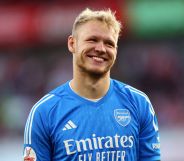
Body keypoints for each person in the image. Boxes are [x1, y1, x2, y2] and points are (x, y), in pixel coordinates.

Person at [23, 8, 161, 161]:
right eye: (92, 40)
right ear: (72, 44)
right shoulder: (44, 112)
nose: (101, 49)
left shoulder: (139, 103)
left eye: (109, 43)